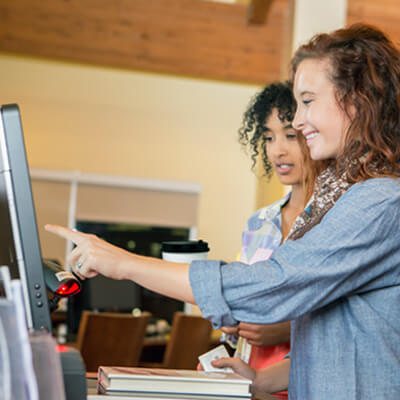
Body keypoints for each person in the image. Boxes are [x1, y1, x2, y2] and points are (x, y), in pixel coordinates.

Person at [46, 23, 400, 399]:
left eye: (308, 101)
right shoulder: (341, 195)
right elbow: (349, 339)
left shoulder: (380, 200)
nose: (297, 121)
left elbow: (272, 285)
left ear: (358, 99)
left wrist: (124, 263)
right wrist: (264, 378)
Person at [214, 81, 323, 400]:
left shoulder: (338, 220)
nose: (277, 150)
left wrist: (284, 329)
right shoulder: (258, 222)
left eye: (291, 135)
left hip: (309, 379)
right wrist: (234, 321)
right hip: (252, 378)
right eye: (268, 137)